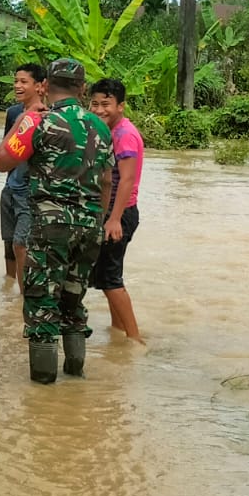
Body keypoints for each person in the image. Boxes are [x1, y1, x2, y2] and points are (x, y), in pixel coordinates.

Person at [0, 58, 114, 383]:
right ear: (83, 89)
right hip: (90, 226)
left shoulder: (39, 122)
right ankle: (76, 377)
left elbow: (2, 162)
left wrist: (24, 122)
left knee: (42, 303)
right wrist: (96, 220)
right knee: (73, 301)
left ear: (45, 86)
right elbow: (106, 181)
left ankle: (44, 388)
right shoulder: (100, 125)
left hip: (50, 226)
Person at [88, 78, 146, 345]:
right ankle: (117, 332)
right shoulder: (108, 130)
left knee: (110, 277)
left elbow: (126, 180)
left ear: (121, 106)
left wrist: (113, 219)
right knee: (107, 276)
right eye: (95, 103)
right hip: (113, 211)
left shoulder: (124, 135)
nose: (99, 109)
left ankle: (135, 339)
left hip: (119, 212)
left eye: (106, 104)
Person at [0, 63, 48, 283]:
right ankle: (9, 289)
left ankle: (23, 298)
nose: (17, 86)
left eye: (23, 82)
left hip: (30, 192)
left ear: (40, 86)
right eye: (15, 81)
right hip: (11, 186)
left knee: (22, 244)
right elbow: (7, 147)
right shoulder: (13, 113)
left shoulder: (47, 116)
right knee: (9, 242)